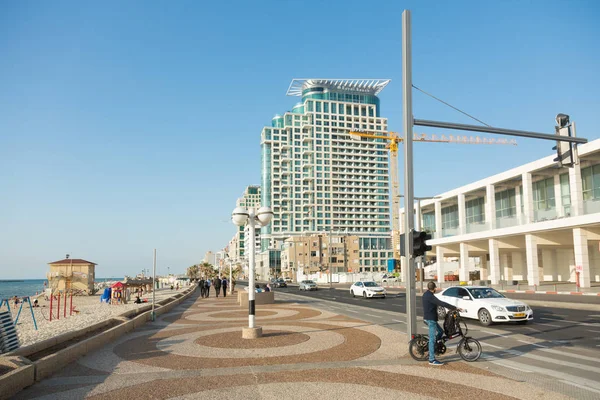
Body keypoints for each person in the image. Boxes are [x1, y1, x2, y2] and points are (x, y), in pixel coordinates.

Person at [422, 281, 462, 366]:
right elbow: (441, 303)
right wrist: (455, 308)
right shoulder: (430, 296)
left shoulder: (426, 294)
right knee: (432, 339)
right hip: (431, 320)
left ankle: (435, 346)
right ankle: (431, 359)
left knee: (440, 332)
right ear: (434, 288)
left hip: (429, 318)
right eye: (435, 288)